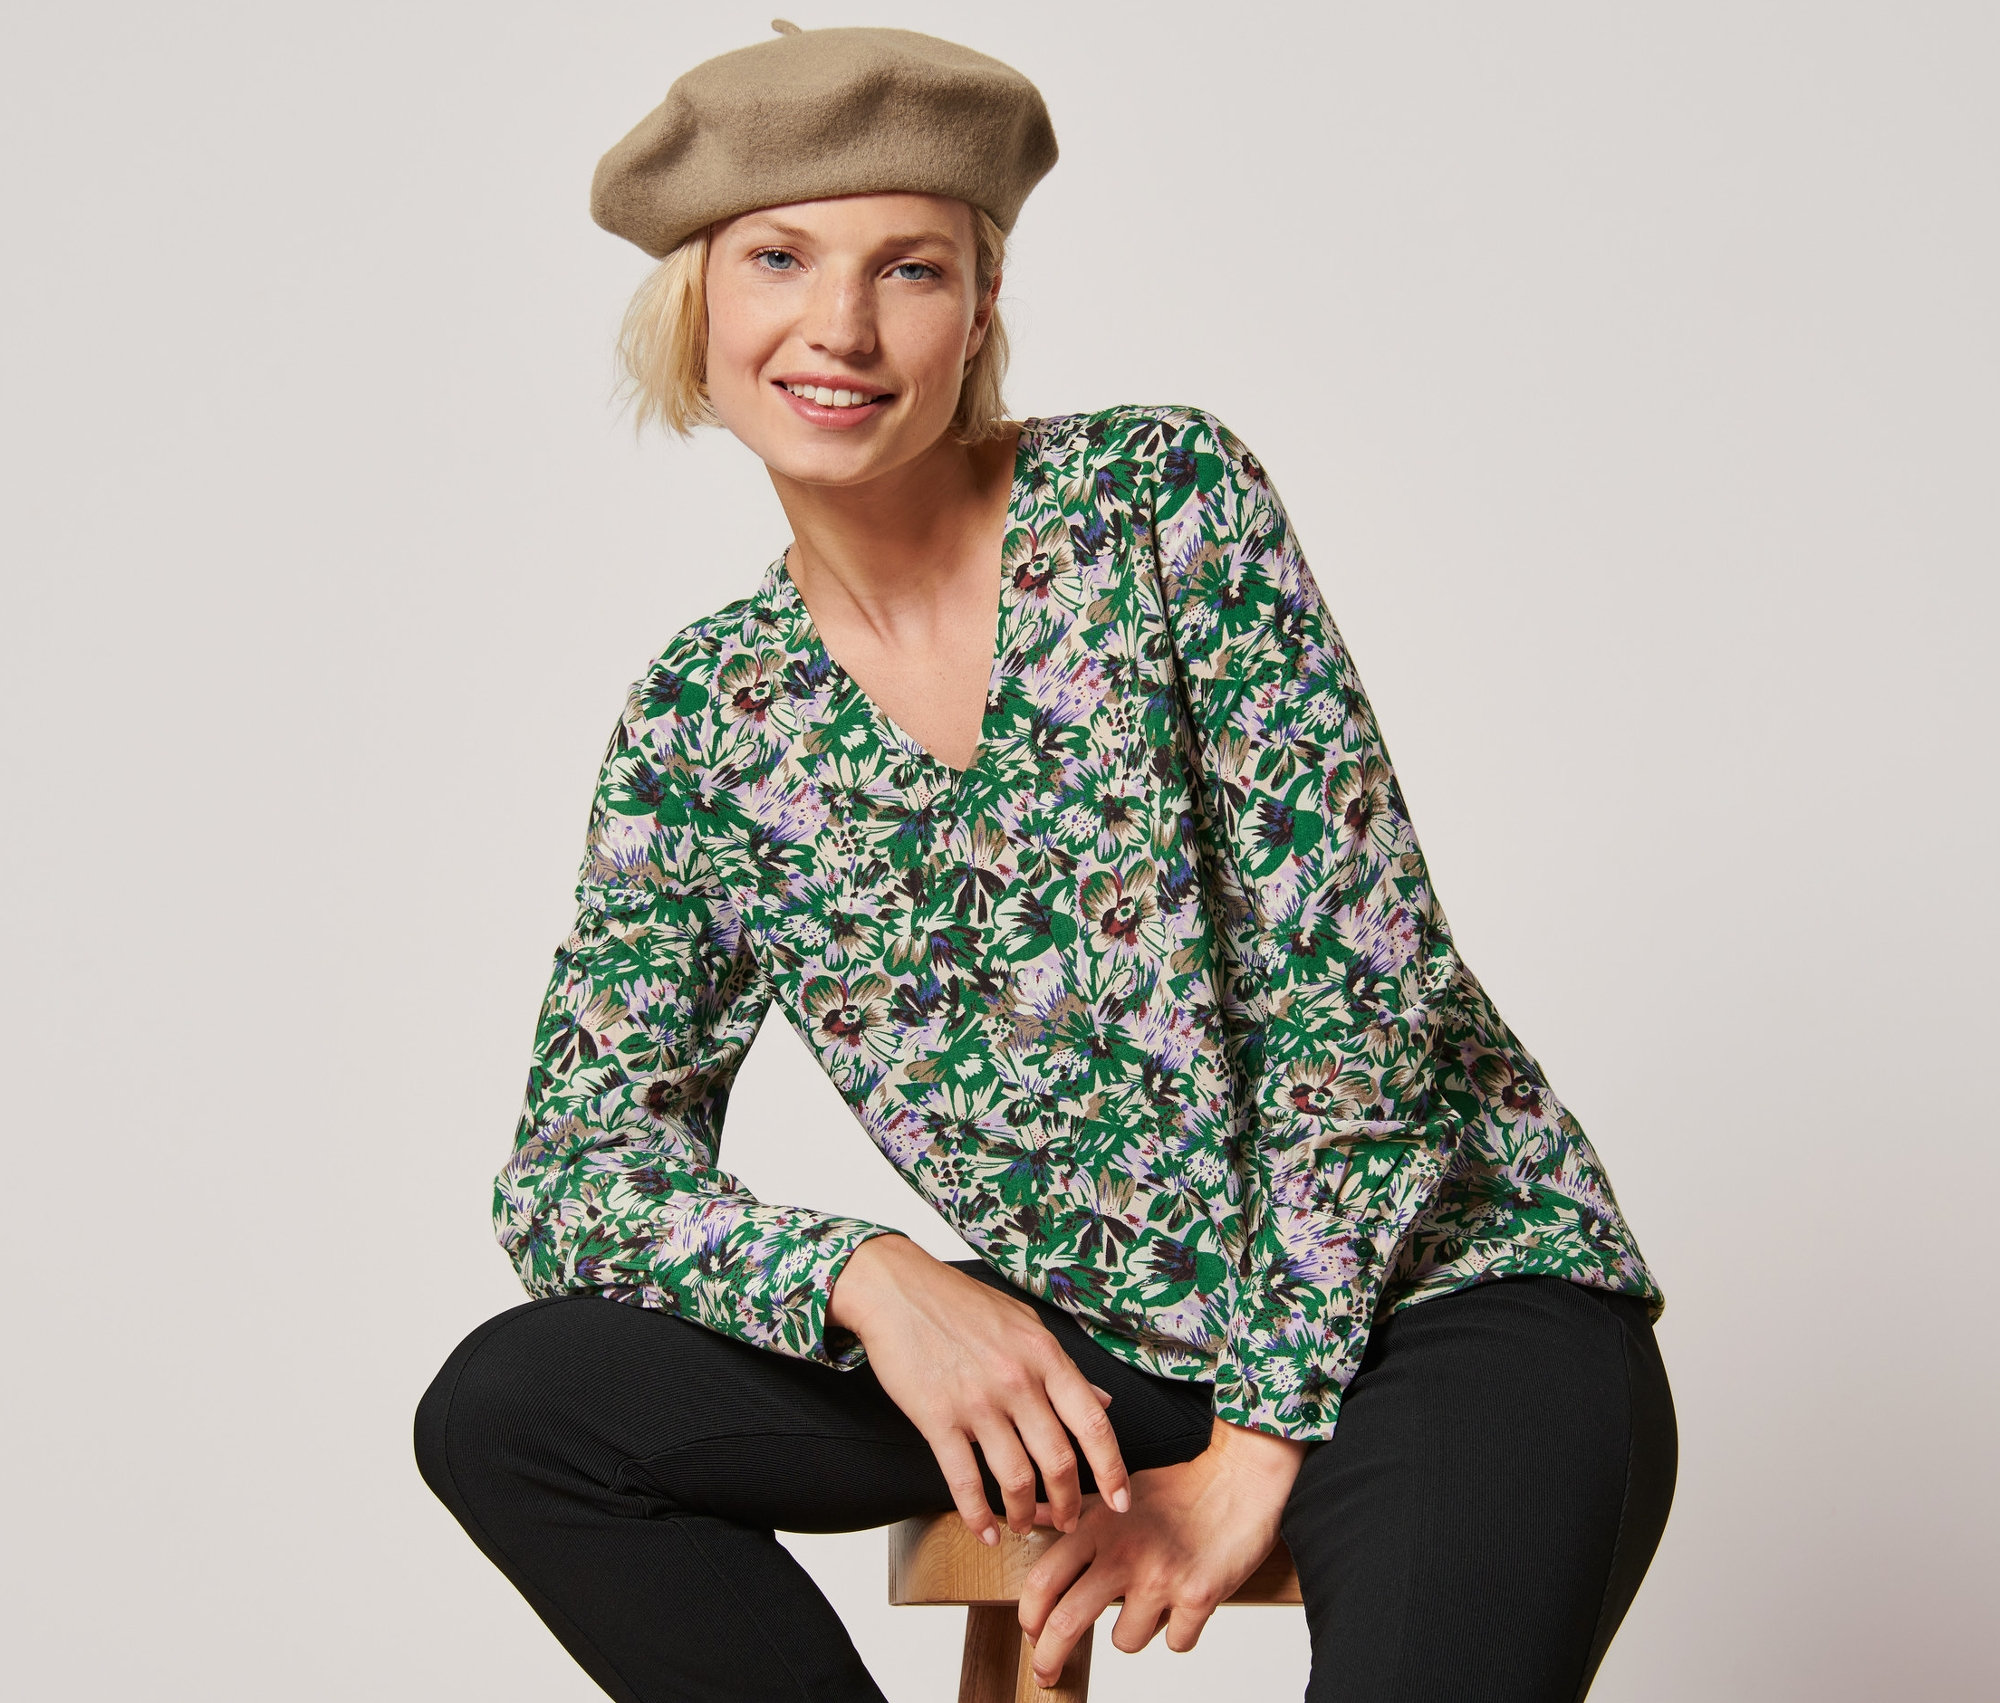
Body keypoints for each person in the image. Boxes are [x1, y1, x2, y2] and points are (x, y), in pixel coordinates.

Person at [414, 22, 1676, 1703]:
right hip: (1105, 1346)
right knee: (518, 1411)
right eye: (779, 259)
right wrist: (870, 1278)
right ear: (698, 310)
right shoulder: (705, 721)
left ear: (980, 311)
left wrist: (1254, 1448)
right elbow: (571, 1173)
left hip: (1433, 1293)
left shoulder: (1160, 502)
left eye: (909, 269)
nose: (840, 328)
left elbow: (1356, 1000)